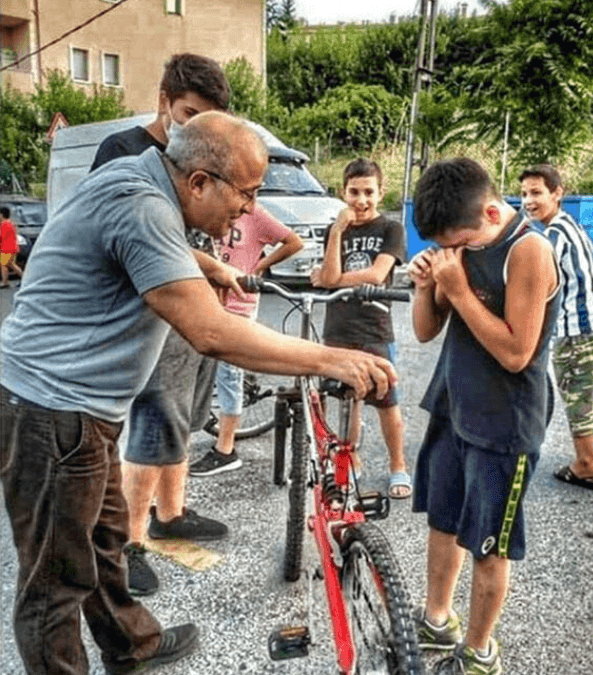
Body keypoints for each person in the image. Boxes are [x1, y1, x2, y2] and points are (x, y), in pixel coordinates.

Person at [0, 111, 396, 675]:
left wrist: (206, 264)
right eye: (248, 193)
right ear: (199, 182)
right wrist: (332, 357)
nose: (250, 210)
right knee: (54, 583)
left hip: (81, 414)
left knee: (105, 541)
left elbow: (152, 243)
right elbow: (211, 333)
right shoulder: (143, 204)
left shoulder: (143, 174)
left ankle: (131, 646)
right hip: (53, 413)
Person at [90, 52, 234, 598]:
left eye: (205, 120)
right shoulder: (124, 152)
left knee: (185, 416)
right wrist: (215, 266)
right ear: (163, 101)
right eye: (187, 113)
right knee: (154, 422)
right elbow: (136, 239)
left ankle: (171, 514)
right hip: (154, 311)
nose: (192, 128)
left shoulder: (199, 156)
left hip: (195, 308)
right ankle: (128, 542)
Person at [408, 158, 560, 675]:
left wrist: (457, 289)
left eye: (461, 240)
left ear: (492, 211)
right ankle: (436, 618)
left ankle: (479, 653)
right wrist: (426, 287)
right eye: (446, 244)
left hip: (504, 424)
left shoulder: (530, 251)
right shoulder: (457, 249)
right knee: (443, 521)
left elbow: (518, 352)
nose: (455, 251)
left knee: (487, 547)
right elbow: (426, 332)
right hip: (453, 405)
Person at [309, 158, 410, 499]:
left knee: (385, 401)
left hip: (374, 328)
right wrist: (337, 231)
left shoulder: (390, 229)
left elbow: (375, 274)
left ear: (381, 193)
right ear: (343, 192)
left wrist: (330, 278)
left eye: (369, 192)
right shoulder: (335, 230)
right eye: (354, 192)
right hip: (338, 326)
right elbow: (328, 274)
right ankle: (350, 462)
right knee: (347, 398)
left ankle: (398, 466)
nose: (361, 200)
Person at [189, 203, 303, 476]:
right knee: (202, 371)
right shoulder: (212, 210)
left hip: (238, 304)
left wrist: (261, 265)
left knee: (229, 376)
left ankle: (225, 450)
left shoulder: (255, 214)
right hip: (206, 302)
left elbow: (293, 242)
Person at [519, 164, 593, 489]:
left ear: (557, 193)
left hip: (575, 329)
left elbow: (539, 287)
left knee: (577, 396)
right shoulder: (569, 224)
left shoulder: (551, 237)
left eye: (536, 193)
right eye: (525, 194)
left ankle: (586, 464)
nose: (528, 200)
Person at [0, 205, 22, 287]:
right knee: (10, 265)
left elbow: (0, 237)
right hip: (11, 248)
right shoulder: (10, 223)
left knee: (6, 265)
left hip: (7, 249)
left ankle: (5, 282)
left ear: (2, 214)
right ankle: (23, 280)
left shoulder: (4, 224)